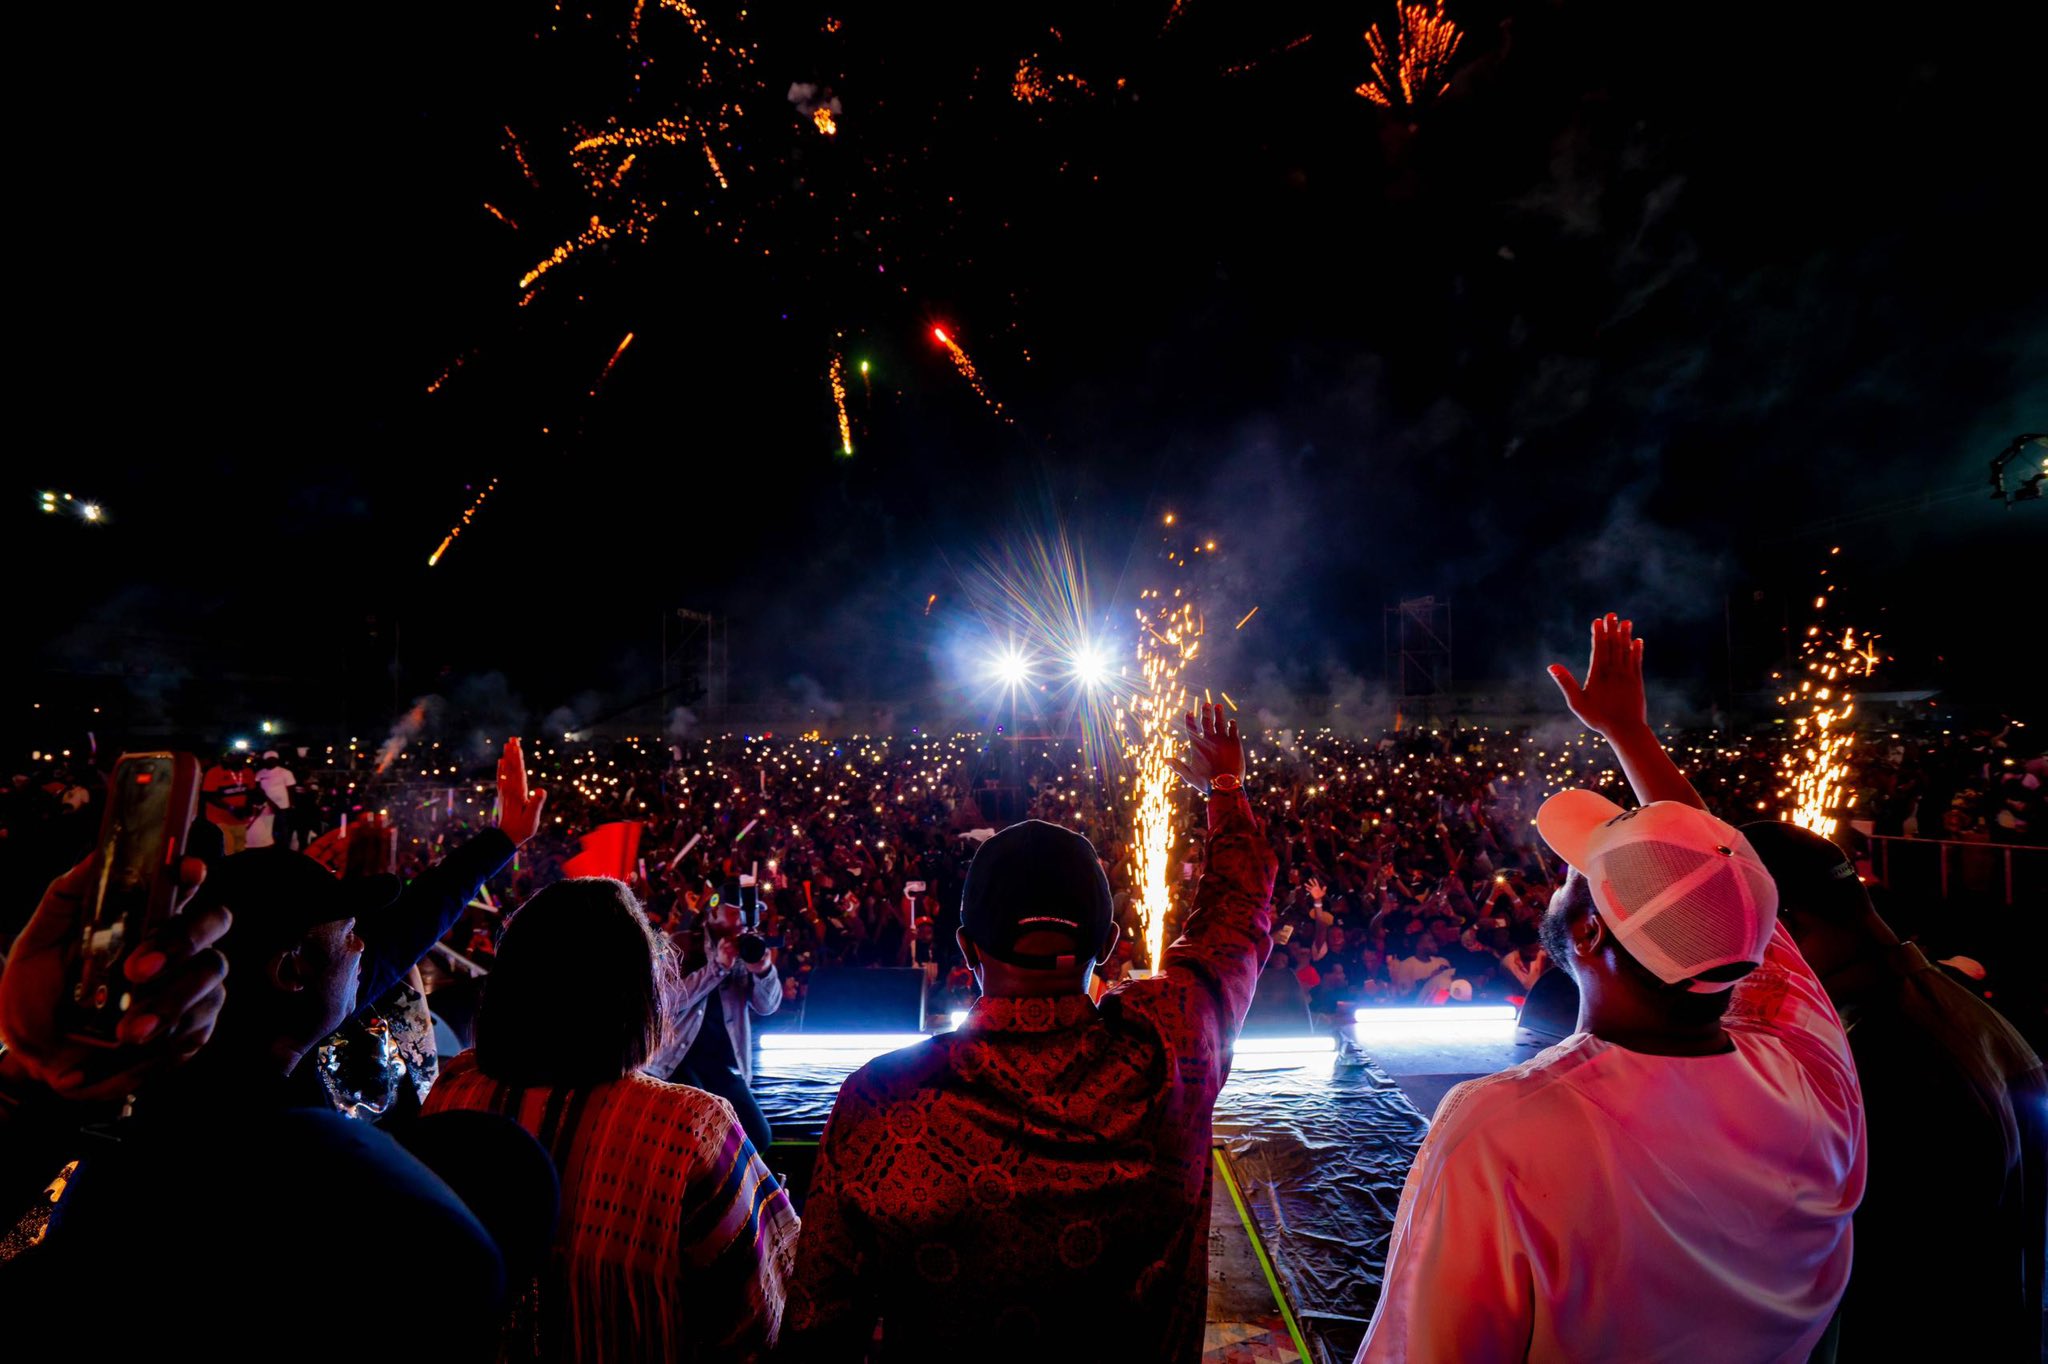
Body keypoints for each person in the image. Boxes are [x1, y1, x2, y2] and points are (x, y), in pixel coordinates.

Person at [1358, 614, 1865, 1362]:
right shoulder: (1817, 1080)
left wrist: (1630, 733)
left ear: (1590, 933)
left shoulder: (1500, 1134)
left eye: (1577, 873)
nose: (1558, 878)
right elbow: (1723, 879)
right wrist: (1629, 734)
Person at [782, 703, 1277, 1362]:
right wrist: (1225, 790)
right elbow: (1235, 916)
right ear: (1111, 942)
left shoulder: (881, 1102)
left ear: (965, 948)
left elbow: (819, 1327)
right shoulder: (1169, 1050)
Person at [12, 834, 514, 1357]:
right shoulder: (311, 1182)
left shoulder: (131, 1109)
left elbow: (404, 932)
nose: (364, 945)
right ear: (290, 970)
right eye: (348, 934)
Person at [424, 877, 799, 1363]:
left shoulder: (454, 1088)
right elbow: (763, 1318)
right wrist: (756, 1221)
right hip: (667, 1077)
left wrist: (760, 962)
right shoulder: (691, 1128)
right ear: (636, 991)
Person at [1745, 818, 2046, 1361]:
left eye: (1743, 938)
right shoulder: (1946, 1008)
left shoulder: (1879, 1056)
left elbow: (1889, 1273)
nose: (1740, 968)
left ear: (1788, 926)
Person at [655, 879, 781, 1154]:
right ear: (714, 912)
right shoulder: (682, 943)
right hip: (677, 1059)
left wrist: (763, 970)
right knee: (699, 1129)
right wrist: (717, 968)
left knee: (757, 1136)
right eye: (736, 911)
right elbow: (666, 1001)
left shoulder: (748, 948)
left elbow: (768, 1006)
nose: (744, 922)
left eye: (748, 914)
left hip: (721, 1064)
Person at [200, 750, 260, 855]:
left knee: (240, 848)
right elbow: (209, 795)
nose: (240, 761)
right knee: (228, 848)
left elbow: (251, 792)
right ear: (227, 759)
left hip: (240, 819)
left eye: (242, 758)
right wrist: (231, 808)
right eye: (236, 758)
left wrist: (249, 807)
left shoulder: (247, 772)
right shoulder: (214, 772)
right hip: (219, 819)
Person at [248, 748, 299, 850]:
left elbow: (291, 790)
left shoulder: (285, 772)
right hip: (265, 807)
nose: (271, 761)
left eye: (273, 759)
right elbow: (257, 788)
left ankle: (284, 849)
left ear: (277, 760)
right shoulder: (260, 773)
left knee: (282, 828)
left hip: (282, 806)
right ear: (265, 760)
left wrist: (292, 804)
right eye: (268, 759)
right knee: (267, 830)